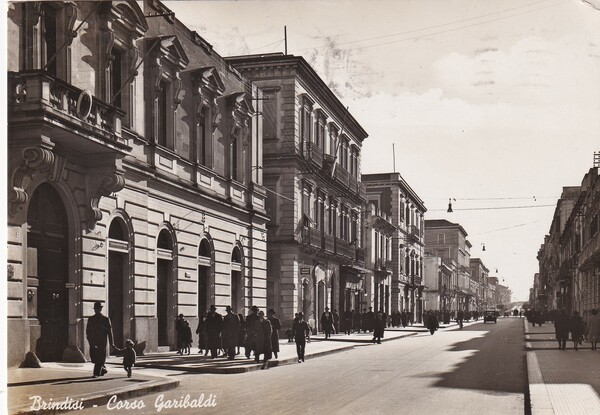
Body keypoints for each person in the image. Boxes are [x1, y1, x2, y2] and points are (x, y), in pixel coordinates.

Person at [86, 301, 115, 378]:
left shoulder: (106, 319)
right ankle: (103, 369)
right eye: (96, 309)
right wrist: (90, 340)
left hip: (102, 341)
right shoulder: (90, 319)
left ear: (101, 309)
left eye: (98, 309)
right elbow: (88, 331)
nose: (97, 310)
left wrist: (112, 343)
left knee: (100, 357)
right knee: (94, 357)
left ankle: (96, 373)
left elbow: (110, 332)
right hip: (93, 341)